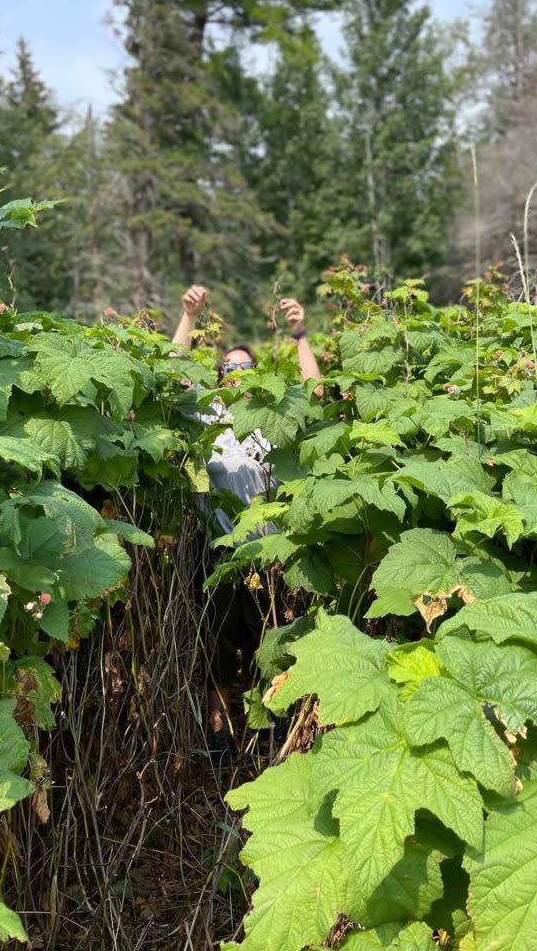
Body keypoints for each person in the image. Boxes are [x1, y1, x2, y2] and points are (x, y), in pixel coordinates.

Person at [171, 285, 321, 762]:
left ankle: (269, 729)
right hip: (217, 552)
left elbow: (315, 393)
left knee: (267, 646)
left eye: (245, 367)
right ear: (219, 377)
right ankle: (219, 737)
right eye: (229, 368)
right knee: (216, 650)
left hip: (268, 555)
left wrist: (300, 334)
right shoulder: (208, 416)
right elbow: (171, 374)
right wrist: (188, 317)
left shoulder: (270, 418)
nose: (236, 373)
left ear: (256, 376)